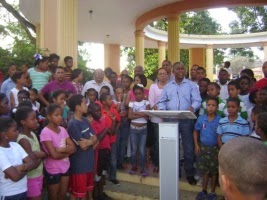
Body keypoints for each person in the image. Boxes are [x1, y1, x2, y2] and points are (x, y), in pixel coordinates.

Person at [158, 62, 201, 185]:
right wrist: (161, 110)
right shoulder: (168, 86)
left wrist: (193, 107)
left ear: (185, 71)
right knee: (172, 148)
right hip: (171, 119)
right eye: (178, 69)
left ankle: (189, 173)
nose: (181, 71)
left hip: (186, 120)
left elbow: (197, 100)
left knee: (188, 148)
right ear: (173, 71)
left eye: (183, 68)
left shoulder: (192, 85)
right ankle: (175, 172)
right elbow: (162, 101)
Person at [40, 104, 76, 200]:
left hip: (65, 166)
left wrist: (61, 150)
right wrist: (68, 152)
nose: (60, 117)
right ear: (49, 116)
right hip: (53, 169)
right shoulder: (45, 132)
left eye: (61, 115)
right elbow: (54, 155)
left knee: (62, 195)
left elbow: (74, 148)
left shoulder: (63, 129)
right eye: (56, 115)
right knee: (53, 196)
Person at [67, 94, 98, 200]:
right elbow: (83, 146)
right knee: (79, 194)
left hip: (88, 162)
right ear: (77, 107)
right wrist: (91, 142)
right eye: (84, 103)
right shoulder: (73, 124)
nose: (87, 105)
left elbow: (95, 138)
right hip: (79, 166)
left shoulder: (85, 120)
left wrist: (89, 142)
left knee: (88, 190)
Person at [15, 107, 47, 200]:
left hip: (38, 175)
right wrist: (42, 156)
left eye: (35, 118)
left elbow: (42, 153)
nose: (36, 121)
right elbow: (33, 165)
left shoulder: (32, 134)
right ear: (23, 122)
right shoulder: (24, 140)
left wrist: (39, 155)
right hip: (31, 178)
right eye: (32, 119)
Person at [0, 117, 35, 200]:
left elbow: (32, 163)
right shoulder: (1, 152)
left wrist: (21, 167)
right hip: (8, 194)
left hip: (22, 190)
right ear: (5, 135)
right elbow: (15, 177)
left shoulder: (16, 145)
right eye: (15, 130)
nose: (18, 132)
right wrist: (26, 166)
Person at [193, 97, 221, 200]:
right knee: (205, 171)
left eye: (213, 105)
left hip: (215, 149)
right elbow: (195, 132)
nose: (211, 107)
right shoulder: (201, 118)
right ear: (206, 106)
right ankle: (203, 191)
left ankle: (212, 193)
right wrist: (196, 145)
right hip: (203, 148)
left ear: (217, 107)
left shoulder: (219, 120)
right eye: (209, 105)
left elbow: (220, 136)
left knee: (214, 172)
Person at [88, 103, 112, 200]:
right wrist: (105, 130)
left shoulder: (101, 120)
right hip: (99, 151)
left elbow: (111, 131)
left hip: (106, 150)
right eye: (97, 111)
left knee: (103, 172)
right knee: (97, 174)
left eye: (100, 110)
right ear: (91, 113)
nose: (99, 113)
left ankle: (101, 193)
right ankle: (96, 195)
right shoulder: (92, 124)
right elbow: (97, 139)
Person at [97, 93, 121, 185]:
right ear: (103, 102)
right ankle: (103, 178)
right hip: (104, 140)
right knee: (104, 159)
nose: (111, 101)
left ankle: (112, 177)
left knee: (113, 158)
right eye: (109, 99)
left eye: (111, 99)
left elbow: (119, 121)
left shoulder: (114, 111)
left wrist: (115, 130)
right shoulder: (100, 112)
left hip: (113, 138)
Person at [148, 67, 168, 172]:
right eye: (160, 73)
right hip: (156, 118)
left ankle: (166, 163)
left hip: (168, 118)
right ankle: (157, 163)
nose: (162, 75)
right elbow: (151, 101)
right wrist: (157, 108)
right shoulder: (153, 87)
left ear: (167, 75)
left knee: (166, 142)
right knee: (157, 142)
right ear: (157, 76)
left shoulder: (170, 86)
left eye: (164, 73)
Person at [128, 84, 150, 176]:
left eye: (140, 93)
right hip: (133, 129)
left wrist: (135, 113)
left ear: (143, 93)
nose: (138, 96)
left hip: (143, 130)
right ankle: (134, 166)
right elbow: (130, 116)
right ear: (134, 94)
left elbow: (147, 117)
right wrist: (142, 113)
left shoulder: (146, 103)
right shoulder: (131, 103)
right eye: (136, 94)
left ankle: (142, 168)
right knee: (134, 150)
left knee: (141, 150)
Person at [113, 86, 129, 170]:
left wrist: (125, 113)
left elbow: (128, 111)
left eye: (121, 93)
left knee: (123, 143)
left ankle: (121, 162)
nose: (120, 95)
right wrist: (119, 101)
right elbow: (116, 112)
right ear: (115, 94)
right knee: (116, 143)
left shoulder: (126, 102)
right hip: (116, 124)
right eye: (118, 93)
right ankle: (115, 163)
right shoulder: (113, 102)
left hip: (125, 123)